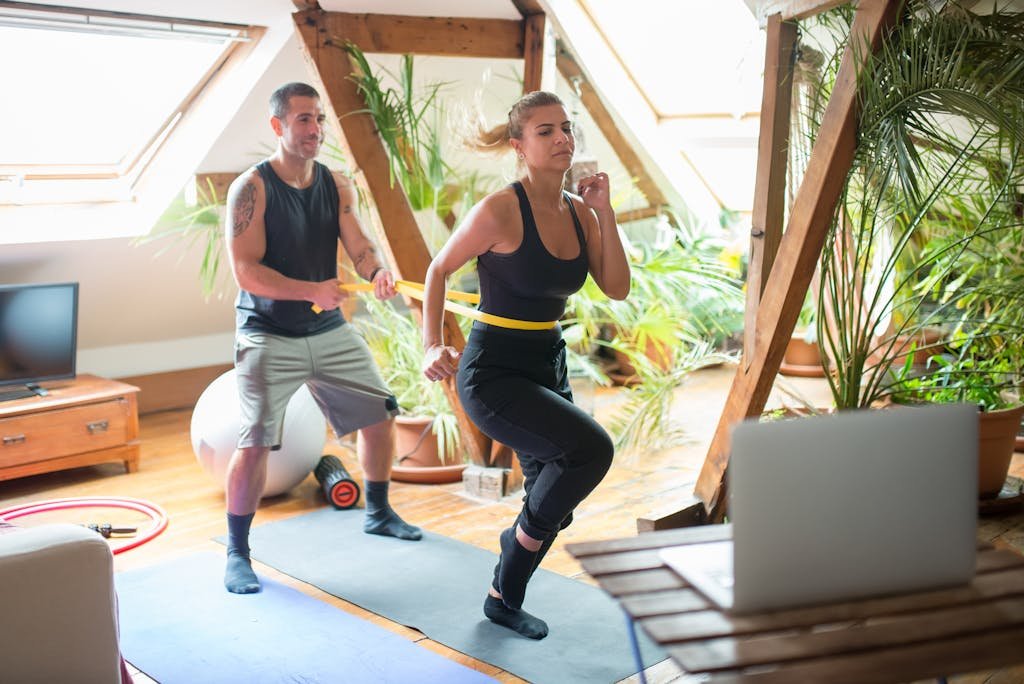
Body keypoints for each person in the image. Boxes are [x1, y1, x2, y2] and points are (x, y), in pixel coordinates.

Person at [421, 91, 630, 639]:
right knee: (591, 452)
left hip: (548, 364)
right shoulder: (499, 210)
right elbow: (439, 270)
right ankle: (510, 570)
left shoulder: (581, 212)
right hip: (493, 372)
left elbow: (616, 287)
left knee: (552, 506)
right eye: (546, 131)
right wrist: (431, 346)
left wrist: (605, 213)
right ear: (519, 145)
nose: (563, 138)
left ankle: (504, 591)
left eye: (566, 128)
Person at [222, 82, 421, 595]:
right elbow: (246, 271)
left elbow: (358, 244)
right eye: (304, 120)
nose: (315, 130)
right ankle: (237, 553)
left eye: (319, 120)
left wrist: (375, 270)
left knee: (379, 414)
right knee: (255, 443)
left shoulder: (335, 183)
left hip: (326, 328)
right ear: (278, 126)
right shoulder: (252, 189)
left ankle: (377, 512)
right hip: (267, 333)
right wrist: (312, 288)